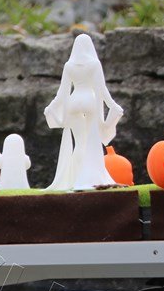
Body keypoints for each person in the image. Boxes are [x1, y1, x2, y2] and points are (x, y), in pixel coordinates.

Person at [44, 34, 125, 190]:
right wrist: (112, 104)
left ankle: (76, 178)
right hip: (89, 101)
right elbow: (101, 89)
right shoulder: (94, 64)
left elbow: (62, 92)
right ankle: (87, 177)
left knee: (80, 143)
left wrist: (52, 106)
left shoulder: (69, 66)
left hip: (74, 102)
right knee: (91, 142)